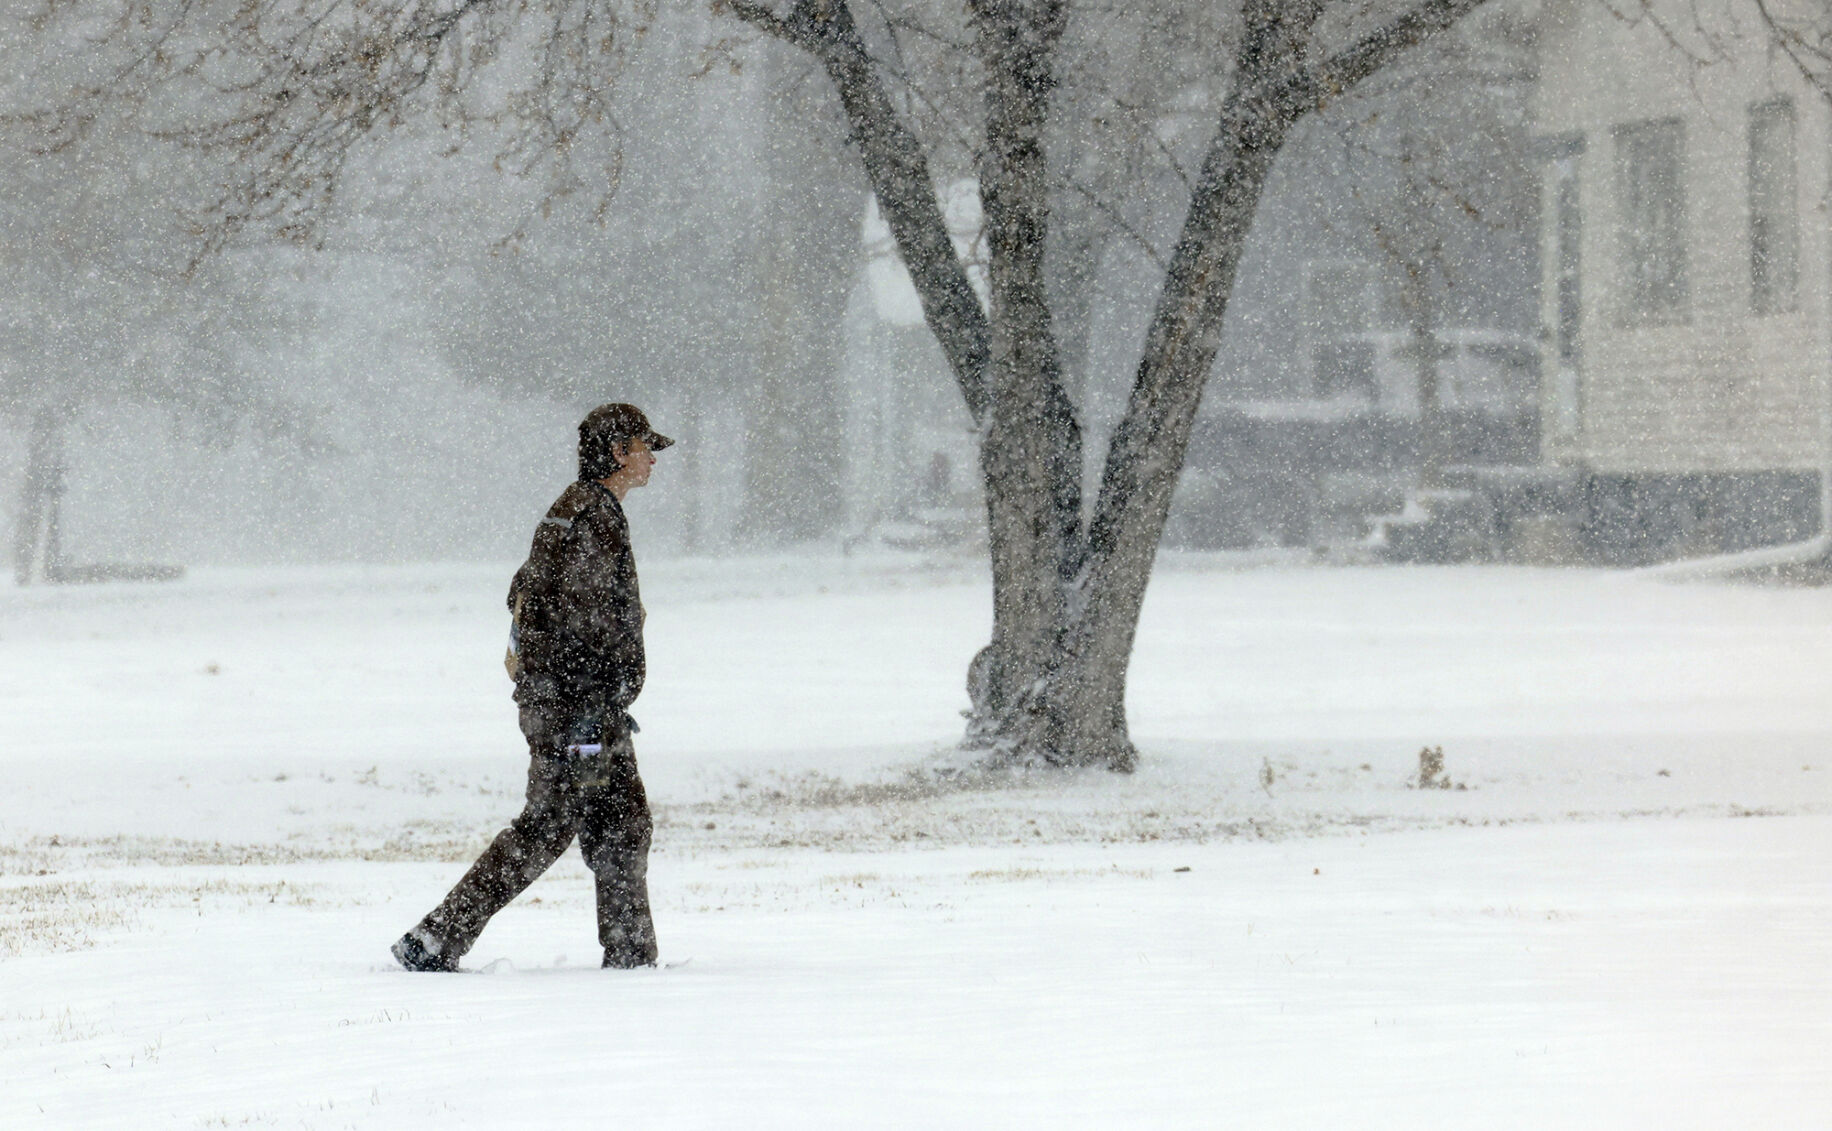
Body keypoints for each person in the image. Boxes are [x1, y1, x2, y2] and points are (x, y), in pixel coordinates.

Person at [392, 403, 673, 972]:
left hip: (574, 706)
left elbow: (526, 597)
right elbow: (583, 619)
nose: (651, 458)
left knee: (618, 820)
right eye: (644, 447)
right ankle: (437, 938)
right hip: (580, 712)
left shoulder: (574, 512)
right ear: (619, 452)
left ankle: (631, 955)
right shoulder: (590, 518)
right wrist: (590, 707)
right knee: (553, 824)